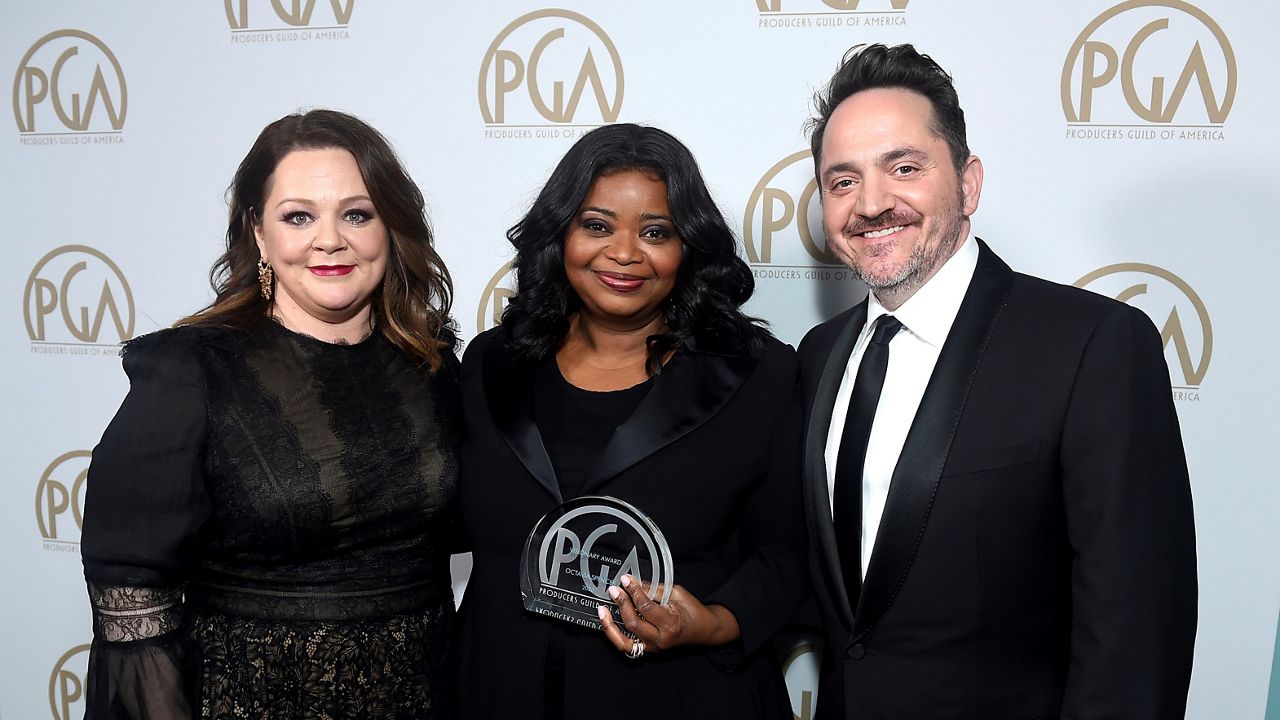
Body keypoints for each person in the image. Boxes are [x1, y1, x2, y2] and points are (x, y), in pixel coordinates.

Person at [797, 44, 1197, 718]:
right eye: (842, 180)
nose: (871, 203)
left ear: (969, 182)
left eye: (904, 168)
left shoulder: (1091, 345)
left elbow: (1136, 630)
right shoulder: (818, 355)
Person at [80, 109, 459, 719]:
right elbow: (132, 595)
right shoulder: (189, 373)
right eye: (298, 216)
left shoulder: (433, 366)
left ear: (390, 227)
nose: (329, 239)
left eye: (357, 214)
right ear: (259, 232)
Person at [452, 123, 806, 719]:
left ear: (688, 247)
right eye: (596, 225)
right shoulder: (491, 364)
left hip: (682, 697)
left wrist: (714, 623)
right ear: (559, 234)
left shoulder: (759, 376)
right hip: (495, 691)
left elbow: (789, 555)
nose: (623, 253)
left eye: (655, 232)